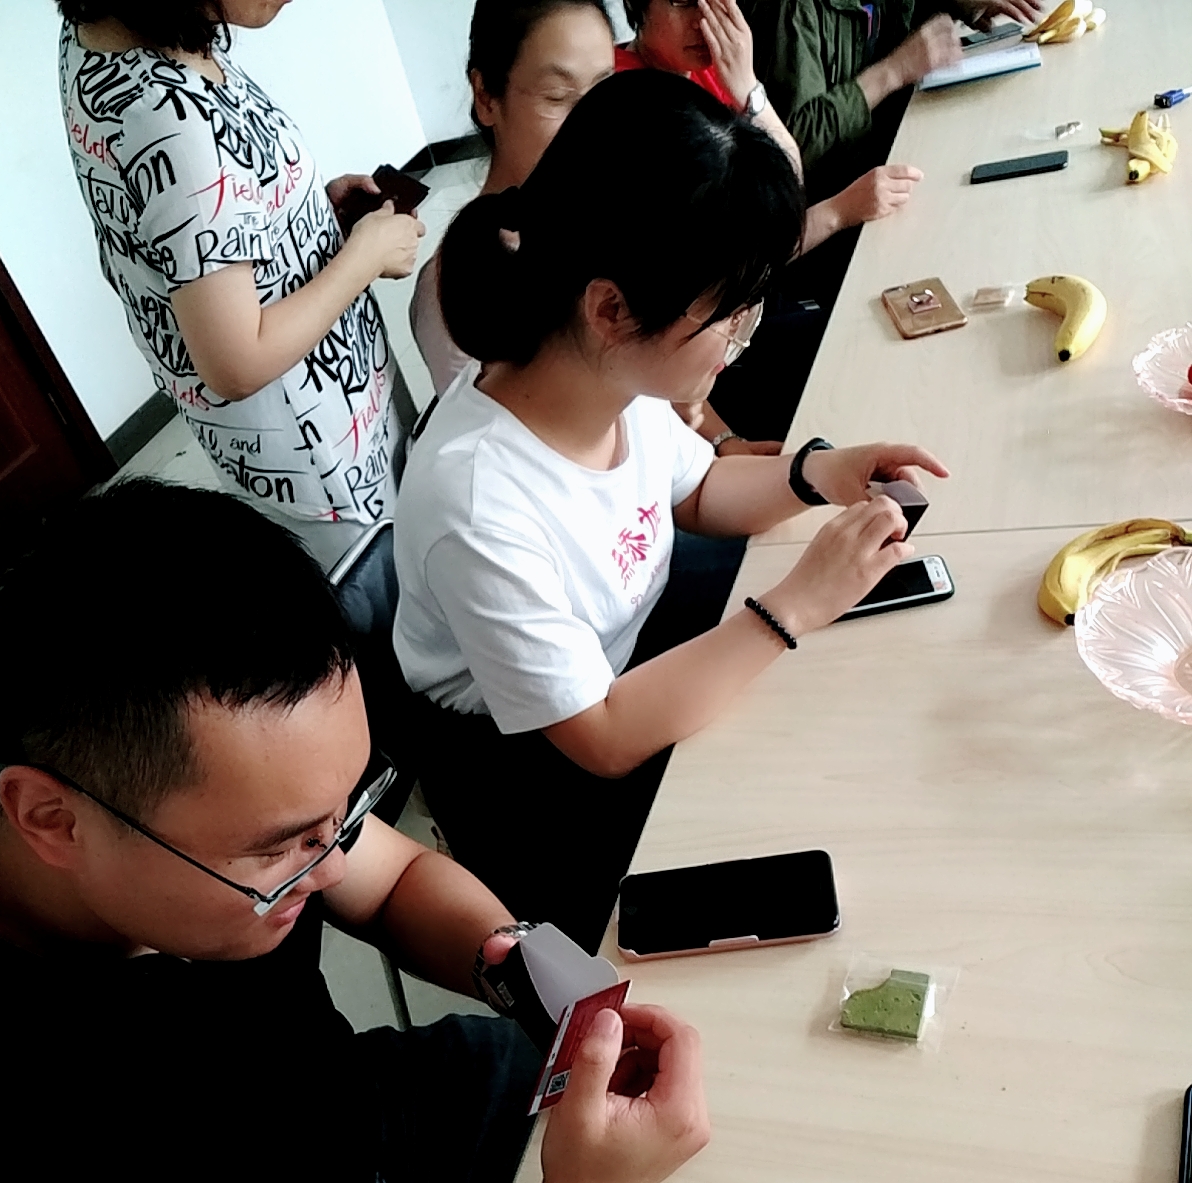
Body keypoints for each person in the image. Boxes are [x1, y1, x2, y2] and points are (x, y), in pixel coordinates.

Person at [0, 477, 709, 1183]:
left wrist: (523, 970)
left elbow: (392, 875)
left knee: (712, 1174)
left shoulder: (244, 804)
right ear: (51, 821)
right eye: (281, 849)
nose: (326, 862)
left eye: (347, 809)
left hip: (365, 1116)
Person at [393, 71, 947, 952]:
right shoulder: (477, 500)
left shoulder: (602, 374)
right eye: (728, 314)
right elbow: (603, 737)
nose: (737, 339)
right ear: (612, 309)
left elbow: (697, 491)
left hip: (631, 660)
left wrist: (820, 473)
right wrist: (794, 606)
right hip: (540, 768)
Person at [58, 0, 426, 564]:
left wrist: (301, 211)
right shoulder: (169, 120)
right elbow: (236, 362)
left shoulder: (117, 27)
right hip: (324, 451)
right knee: (395, 584)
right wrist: (364, 258)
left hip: (312, 412)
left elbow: (186, 232)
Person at [411, 0, 776, 456]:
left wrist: (722, 442)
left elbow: (670, 390)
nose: (594, 125)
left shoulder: (614, 212)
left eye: (604, 90)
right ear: (486, 96)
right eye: (557, 97)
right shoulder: (463, 287)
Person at [615, 0, 923, 441]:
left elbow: (782, 193)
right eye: (682, 3)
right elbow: (744, 254)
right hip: (707, 358)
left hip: (745, 317)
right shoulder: (631, 100)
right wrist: (840, 211)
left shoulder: (705, 69)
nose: (705, 20)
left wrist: (747, 86)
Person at [743, 0, 1049, 182]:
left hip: (899, 145)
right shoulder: (789, 10)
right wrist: (894, 71)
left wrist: (961, 3)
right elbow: (789, 150)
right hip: (840, 200)